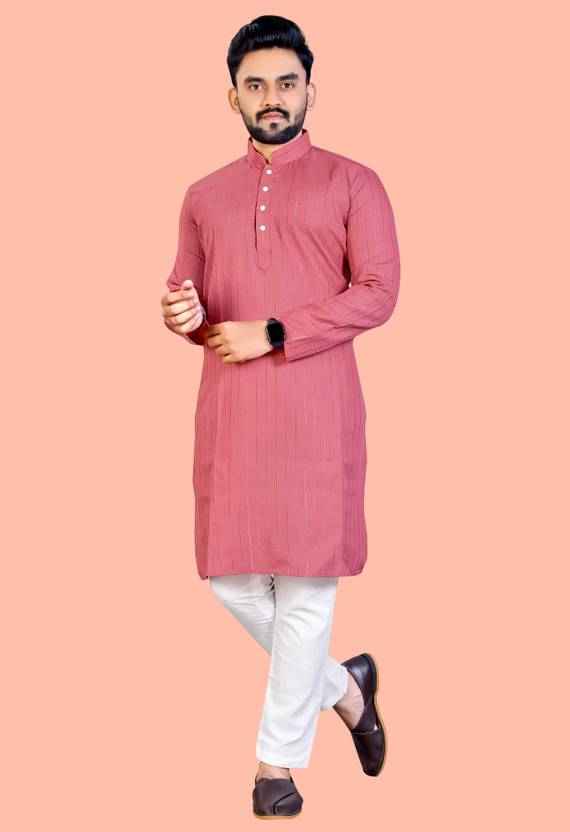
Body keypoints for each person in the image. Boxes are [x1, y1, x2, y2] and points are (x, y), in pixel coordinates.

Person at [161, 15, 400, 819]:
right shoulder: (203, 196)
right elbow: (191, 300)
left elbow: (378, 292)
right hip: (231, 414)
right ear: (232, 96)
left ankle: (275, 766)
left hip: (317, 413)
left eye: (286, 83)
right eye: (255, 84)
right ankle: (347, 690)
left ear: (310, 91)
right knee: (232, 582)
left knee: (303, 589)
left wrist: (274, 331)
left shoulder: (354, 183)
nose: (273, 97)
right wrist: (183, 316)